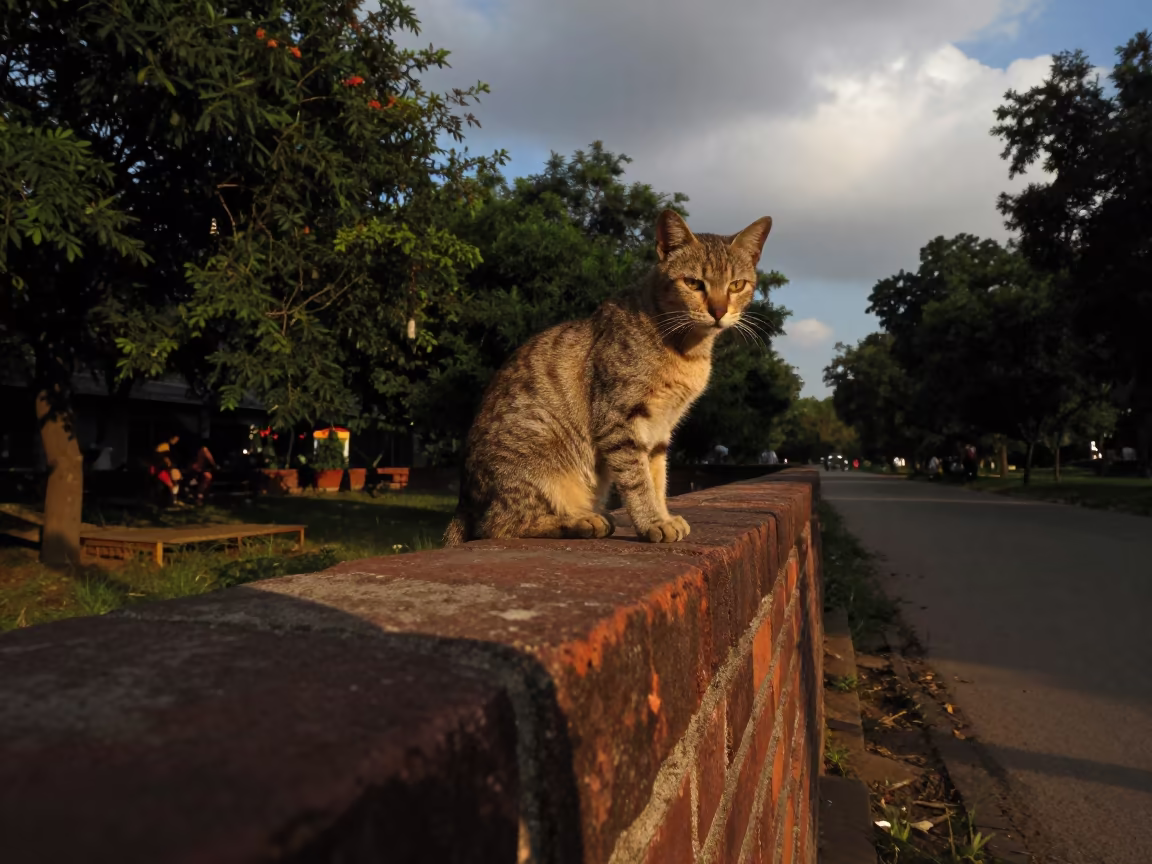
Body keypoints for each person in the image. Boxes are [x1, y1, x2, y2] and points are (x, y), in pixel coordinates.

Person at [151, 433, 183, 507]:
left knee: (175, 480)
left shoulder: (169, 447)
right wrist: (170, 467)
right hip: (159, 469)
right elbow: (165, 460)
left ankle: (172, 500)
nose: (176, 441)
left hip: (164, 469)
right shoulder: (164, 446)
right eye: (175, 438)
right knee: (171, 484)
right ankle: (172, 501)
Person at [187, 439, 217, 504]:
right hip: (196, 471)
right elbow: (210, 459)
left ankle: (199, 496)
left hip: (200, 471)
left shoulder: (202, 452)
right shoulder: (203, 450)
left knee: (206, 478)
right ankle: (197, 496)